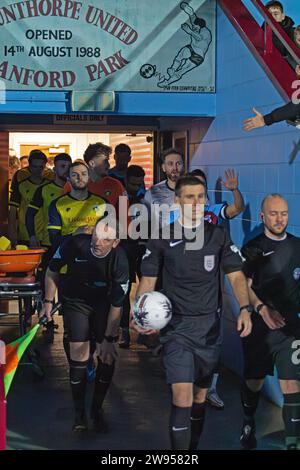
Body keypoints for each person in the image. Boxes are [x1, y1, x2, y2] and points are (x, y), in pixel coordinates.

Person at [132, 175, 252, 450]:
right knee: (182, 396)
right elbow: (148, 281)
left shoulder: (218, 236)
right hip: (177, 330)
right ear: (177, 201)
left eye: (201, 197)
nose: (196, 203)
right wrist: (140, 315)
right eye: (189, 197)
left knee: (199, 398)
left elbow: (235, 276)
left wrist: (245, 308)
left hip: (210, 330)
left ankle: (192, 447)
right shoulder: (162, 238)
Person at [40, 218, 129, 432]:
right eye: (96, 234)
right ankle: (79, 413)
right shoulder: (75, 244)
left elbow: (117, 306)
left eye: (105, 238)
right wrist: (48, 302)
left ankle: (96, 410)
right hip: (75, 302)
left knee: (107, 357)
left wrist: (108, 339)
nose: (98, 241)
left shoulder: (120, 260)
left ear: (115, 242)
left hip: (103, 304)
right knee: (79, 355)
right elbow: (52, 271)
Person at [240, 194, 300, 450]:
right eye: (274, 214)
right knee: (254, 380)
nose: (279, 219)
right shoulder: (253, 248)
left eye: (284, 213)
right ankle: (248, 424)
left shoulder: (298, 246)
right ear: (263, 216)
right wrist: (262, 310)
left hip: (290, 329)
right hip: (260, 329)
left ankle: (292, 442)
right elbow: (243, 286)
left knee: (291, 383)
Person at [190, 168, 245, 410]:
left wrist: (234, 190)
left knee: (213, 336)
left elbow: (237, 209)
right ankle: (189, 384)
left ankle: (211, 388)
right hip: (186, 285)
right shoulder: (176, 216)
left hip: (212, 285)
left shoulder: (215, 211)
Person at [48, 160, 107, 249]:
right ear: (68, 178)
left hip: (94, 254)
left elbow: (110, 234)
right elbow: (54, 239)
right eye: (74, 175)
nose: (80, 178)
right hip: (68, 253)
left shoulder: (102, 203)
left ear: (89, 177)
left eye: (84, 174)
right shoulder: (57, 204)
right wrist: (75, 234)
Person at [119, 165, 146, 348]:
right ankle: (124, 332)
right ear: (126, 179)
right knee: (124, 291)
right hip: (125, 247)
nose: (136, 187)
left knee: (147, 291)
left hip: (143, 248)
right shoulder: (119, 198)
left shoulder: (146, 199)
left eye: (139, 183)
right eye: (133, 183)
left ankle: (146, 328)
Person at [157, 2, 212, 87]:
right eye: (194, 27)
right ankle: (173, 69)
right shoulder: (195, 23)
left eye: (196, 29)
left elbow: (199, 38)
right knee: (182, 53)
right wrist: (185, 7)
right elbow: (192, 14)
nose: (194, 29)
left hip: (198, 56)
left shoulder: (206, 32)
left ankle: (167, 82)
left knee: (182, 70)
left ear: (201, 27)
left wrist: (189, 31)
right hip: (191, 48)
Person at [26, 153, 72, 248]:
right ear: (54, 169)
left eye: (69, 166)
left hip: (72, 242)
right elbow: (30, 214)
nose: (66, 169)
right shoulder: (44, 189)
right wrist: (32, 236)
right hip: (49, 242)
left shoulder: (78, 189)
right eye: (63, 166)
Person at [8, 150, 52, 247]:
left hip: (46, 234)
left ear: (44, 166)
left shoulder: (50, 183)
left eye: (40, 167)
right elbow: (13, 208)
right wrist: (12, 232)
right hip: (25, 233)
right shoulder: (21, 182)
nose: (37, 170)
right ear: (29, 165)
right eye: (34, 166)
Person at [143, 147, 184, 228]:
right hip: (162, 239)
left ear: (183, 166)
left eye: (178, 163)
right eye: (170, 164)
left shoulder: (195, 190)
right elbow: (146, 222)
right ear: (163, 167)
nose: (175, 168)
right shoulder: (152, 192)